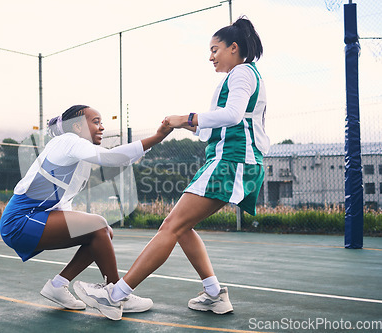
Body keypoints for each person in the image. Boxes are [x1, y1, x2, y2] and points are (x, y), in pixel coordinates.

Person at [74, 17, 270, 320]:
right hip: (229, 160)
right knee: (180, 226)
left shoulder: (242, 72)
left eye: (215, 49)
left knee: (171, 226)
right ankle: (215, 294)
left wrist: (187, 117)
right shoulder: (240, 76)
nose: (211, 56)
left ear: (234, 48)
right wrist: (185, 127)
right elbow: (222, 125)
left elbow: (231, 116)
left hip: (231, 162)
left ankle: (116, 295)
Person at [0, 104, 172, 316]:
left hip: (35, 218)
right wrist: (157, 137)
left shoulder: (78, 159)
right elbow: (111, 157)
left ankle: (58, 285)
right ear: (78, 127)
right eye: (96, 122)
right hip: (20, 220)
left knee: (103, 232)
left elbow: (115, 161)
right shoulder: (67, 141)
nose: (102, 128)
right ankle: (116, 294)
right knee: (98, 225)